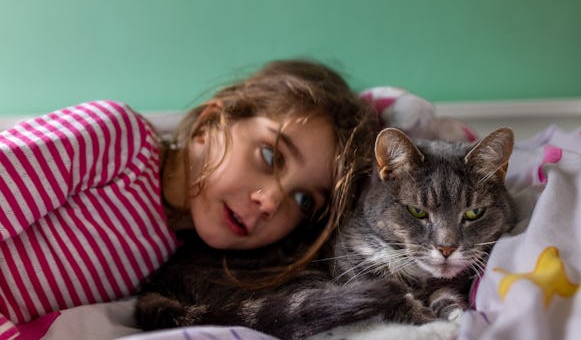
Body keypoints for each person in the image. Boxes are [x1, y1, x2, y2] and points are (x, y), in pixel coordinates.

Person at [0, 59, 377, 339]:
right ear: (210, 123)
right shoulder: (116, 138)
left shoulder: (173, 259)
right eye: (269, 156)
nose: (270, 201)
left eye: (304, 200)